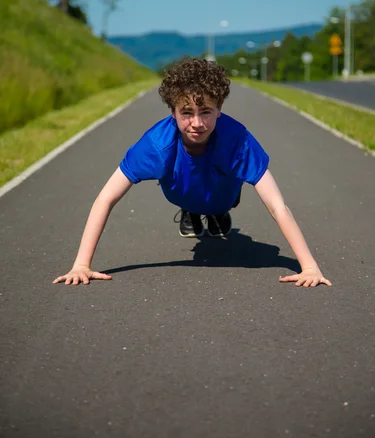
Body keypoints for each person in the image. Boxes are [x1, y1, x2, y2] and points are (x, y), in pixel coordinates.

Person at [53, 58, 331, 288]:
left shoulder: (238, 140)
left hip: (223, 194)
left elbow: (276, 205)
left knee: (221, 200)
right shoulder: (156, 145)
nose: (197, 123)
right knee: (192, 199)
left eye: (206, 111)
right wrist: (81, 264)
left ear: (220, 109)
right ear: (172, 112)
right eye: (187, 112)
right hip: (181, 192)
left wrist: (309, 266)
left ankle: (216, 213)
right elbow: (105, 199)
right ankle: (193, 211)